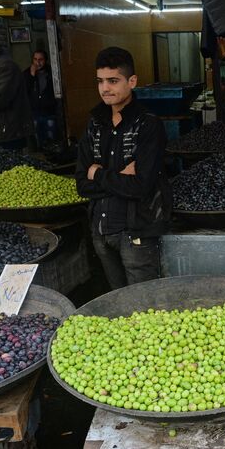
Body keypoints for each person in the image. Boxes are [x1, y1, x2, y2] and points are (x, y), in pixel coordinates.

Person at [75, 47, 171, 289]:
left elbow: (141, 187)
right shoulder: (94, 124)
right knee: (117, 303)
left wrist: (97, 173)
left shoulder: (149, 125)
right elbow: (81, 185)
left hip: (136, 232)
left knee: (144, 304)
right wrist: (119, 178)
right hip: (101, 230)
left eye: (113, 81)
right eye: (100, 81)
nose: (105, 88)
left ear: (132, 81)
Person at [22, 50, 57, 144]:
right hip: (34, 112)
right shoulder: (26, 73)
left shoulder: (52, 72)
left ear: (45, 60)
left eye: (41, 59)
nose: (38, 62)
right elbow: (24, 91)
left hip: (49, 111)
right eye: (35, 59)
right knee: (36, 140)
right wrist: (32, 76)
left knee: (51, 138)